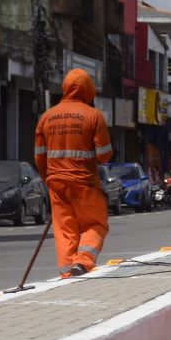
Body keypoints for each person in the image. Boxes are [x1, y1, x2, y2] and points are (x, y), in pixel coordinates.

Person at [34, 69, 113, 277]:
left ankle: (67, 273)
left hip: (56, 183)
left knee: (65, 230)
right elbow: (104, 155)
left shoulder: (46, 118)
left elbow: (39, 157)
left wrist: (49, 181)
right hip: (84, 182)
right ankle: (83, 262)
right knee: (96, 223)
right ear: (88, 90)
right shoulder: (93, 116)